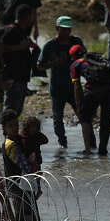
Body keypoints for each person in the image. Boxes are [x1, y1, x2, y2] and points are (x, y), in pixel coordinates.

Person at [0, 110, 41, 221]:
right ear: (4, 129)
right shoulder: (11, 145)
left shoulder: (18, 140)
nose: (15, 127)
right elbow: (25, 166)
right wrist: (32, 162)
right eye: (11, 126)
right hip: (19, 190)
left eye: (16, 124)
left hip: (23, 188)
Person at [37, 16, 79, 148]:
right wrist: (53, 64)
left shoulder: (76, 42)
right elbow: (39, 65)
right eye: (63, 29)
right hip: (57, 87)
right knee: (57, 118)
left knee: (83, 115)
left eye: (68, 29)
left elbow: (85, 58)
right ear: (57, 28)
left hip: (74, 85)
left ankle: (91, 144)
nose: (66, 32)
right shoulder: (50, 45)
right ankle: (63, 144)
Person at [71, 40, 110, 156]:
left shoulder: (75, 64)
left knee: (85, 119)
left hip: (94, 91)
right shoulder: (98, 59)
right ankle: (103, 150)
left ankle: (87, 150)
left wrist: (78, 105)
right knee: (105, 121)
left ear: (72, 57)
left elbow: (77, 86)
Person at [1, 4, 37, 115]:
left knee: (17, 111)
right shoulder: (11, 31)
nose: (33, 19)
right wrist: (20, 47)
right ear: (26, 17)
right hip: (13, 77)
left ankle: (12, 131)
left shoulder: (22, 32)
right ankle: (6, 132)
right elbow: (0, 48)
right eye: (31, 16)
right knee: (10, 111)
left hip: (22, 77)